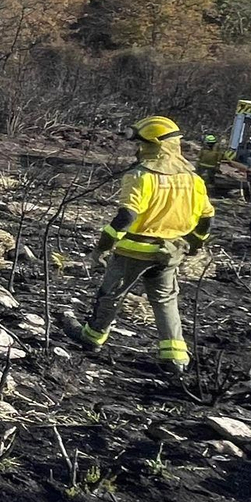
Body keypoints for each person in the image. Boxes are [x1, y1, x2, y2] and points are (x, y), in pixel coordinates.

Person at [59, 116, 213, 377]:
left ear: (149, 145)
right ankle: (175, 357)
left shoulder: (140, 176)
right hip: (171, 252)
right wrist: (196, 244)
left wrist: (102, 246)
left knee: (112, 294)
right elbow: (207, 217)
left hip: (134, 250)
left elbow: (126, 217)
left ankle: (93, 336)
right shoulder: (193, 179)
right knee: (165, 300)